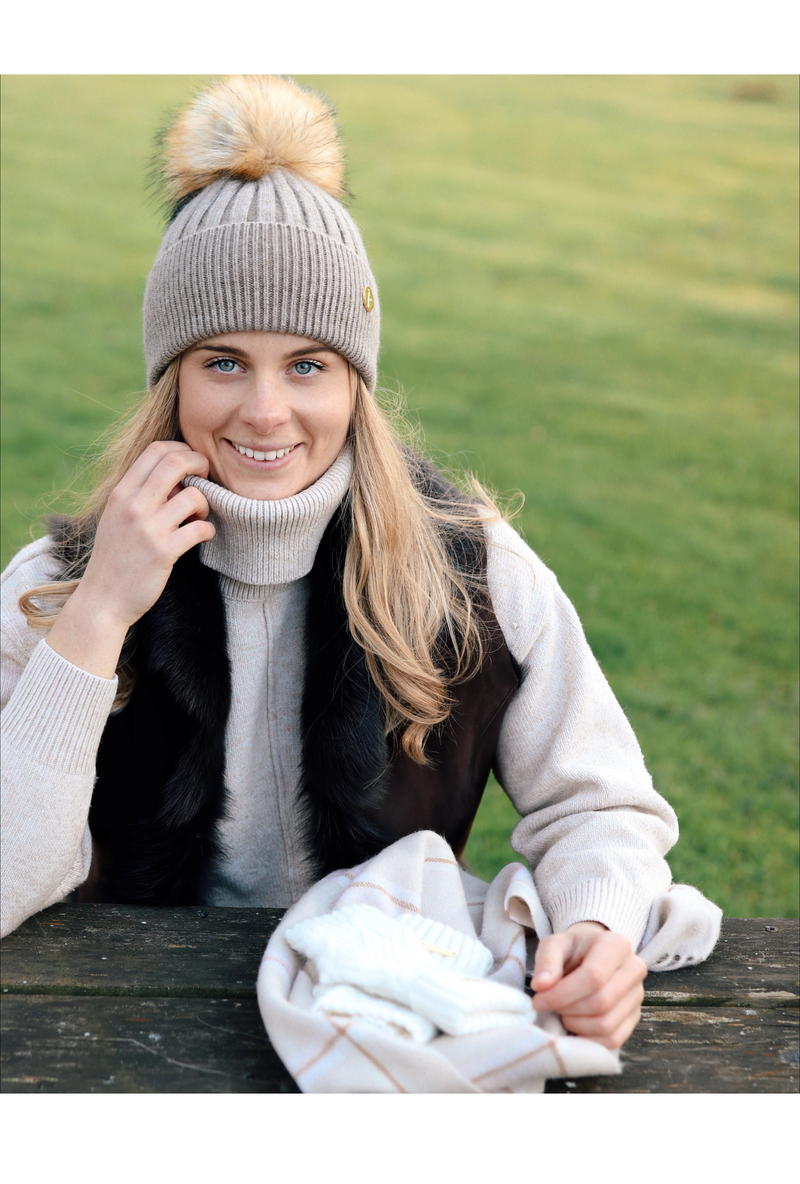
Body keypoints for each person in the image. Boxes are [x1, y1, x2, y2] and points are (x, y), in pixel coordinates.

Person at [0, 75, 717, 1051]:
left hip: (390, 1022)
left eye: (306, 364)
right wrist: (95, 618)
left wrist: (593, 923)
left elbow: (597, 804)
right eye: (221, 361)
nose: (263, 411)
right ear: (169, 375)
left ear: (355, 380)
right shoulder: (55, 582)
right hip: (122, 1028)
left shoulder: (470, 571)